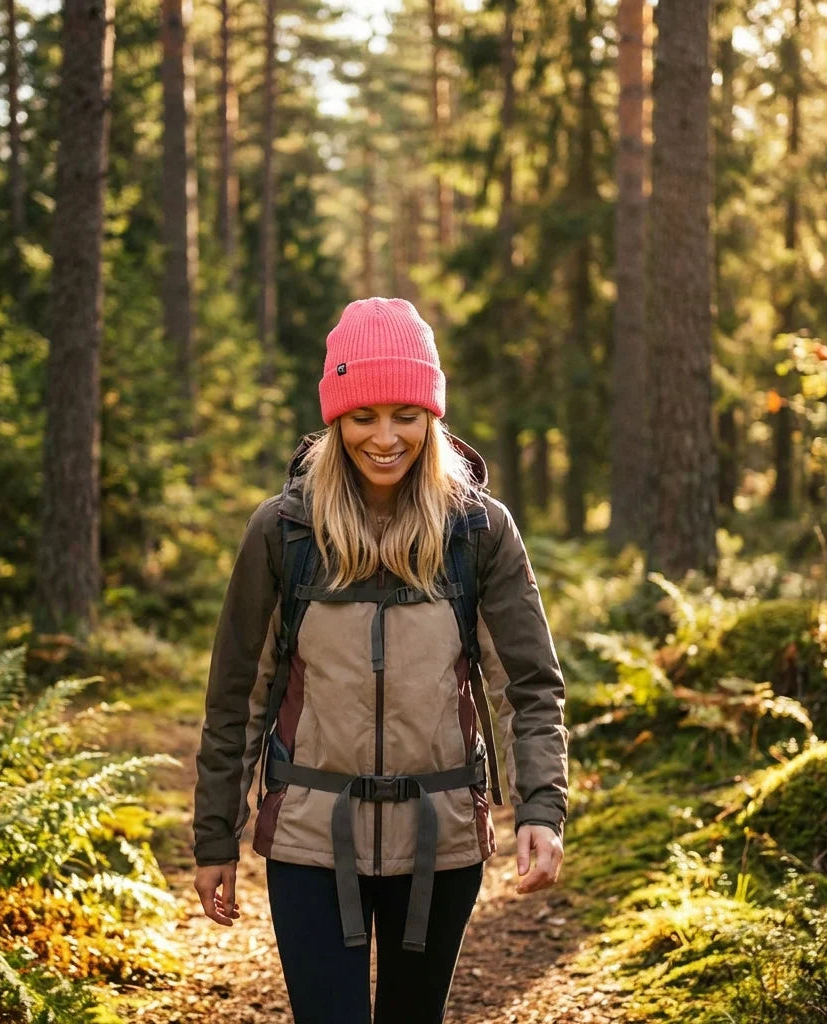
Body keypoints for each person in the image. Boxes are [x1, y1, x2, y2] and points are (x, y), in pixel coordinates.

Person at [193, 297, 568, 1024]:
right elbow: (238, 694)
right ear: (336, 419)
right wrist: (216, 835)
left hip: (441, 838)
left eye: (406, 414)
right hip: (309, 837)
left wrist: (541, 808)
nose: (386, 437)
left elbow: (527, 686)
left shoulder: (478, 530)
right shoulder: (283, 531)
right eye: (363, 416)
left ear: (433, 415)